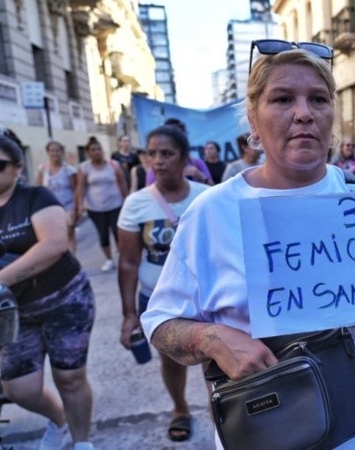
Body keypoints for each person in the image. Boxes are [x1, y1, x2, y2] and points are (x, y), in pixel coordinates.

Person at [139, 42, 355, 449]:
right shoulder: (212, 212)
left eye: (318, 99)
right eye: (282, 99)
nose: (303, 113)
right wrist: (212, 340)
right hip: (266, 437)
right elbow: (161, 323)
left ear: (332, 114)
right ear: (253, 118)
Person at [0, 132, 95, 450]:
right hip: (14, 313)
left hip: (65, 300)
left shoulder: (36, 197)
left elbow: (53, 244)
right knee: (19, 389)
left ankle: (82, 442)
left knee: (70, 378)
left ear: (18, 167)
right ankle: (60, 420)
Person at [117, 125, 208, 443]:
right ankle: (180, 408)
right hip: (158, 301)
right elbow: (128, 263)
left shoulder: (206, 198)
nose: (157, 161)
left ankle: (220, 408)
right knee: (171, 360)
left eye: (167, 153)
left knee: (216, 358)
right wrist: (129, 314)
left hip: (204, 299)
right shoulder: (136, 204)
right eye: (152, 153)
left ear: (184, 158)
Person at [76, 137, 127, 271]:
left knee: (118, 232)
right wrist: (80, 204)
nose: (97, 152)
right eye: (93, 150)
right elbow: (81, 187)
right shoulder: (84, 167)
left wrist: (127, 200)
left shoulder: (113, 164)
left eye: (99, 149)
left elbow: (122, 182)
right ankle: (109, 259)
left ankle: (123, 258)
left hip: (115, 205)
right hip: (95, 207)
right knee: (103, 234)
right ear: (88, 152)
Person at [35, 141, 78, 254]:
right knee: (54, 237)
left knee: (69, 234)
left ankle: (71, 259)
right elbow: (38, 189)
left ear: (62, 152)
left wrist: (75, 208)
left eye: (57, 150)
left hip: (67, 207)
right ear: (48, 152)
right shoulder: (42, 169)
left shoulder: (69, 170)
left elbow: (75, 190)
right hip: (49, 209)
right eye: (52, 151)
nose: (55, 153)